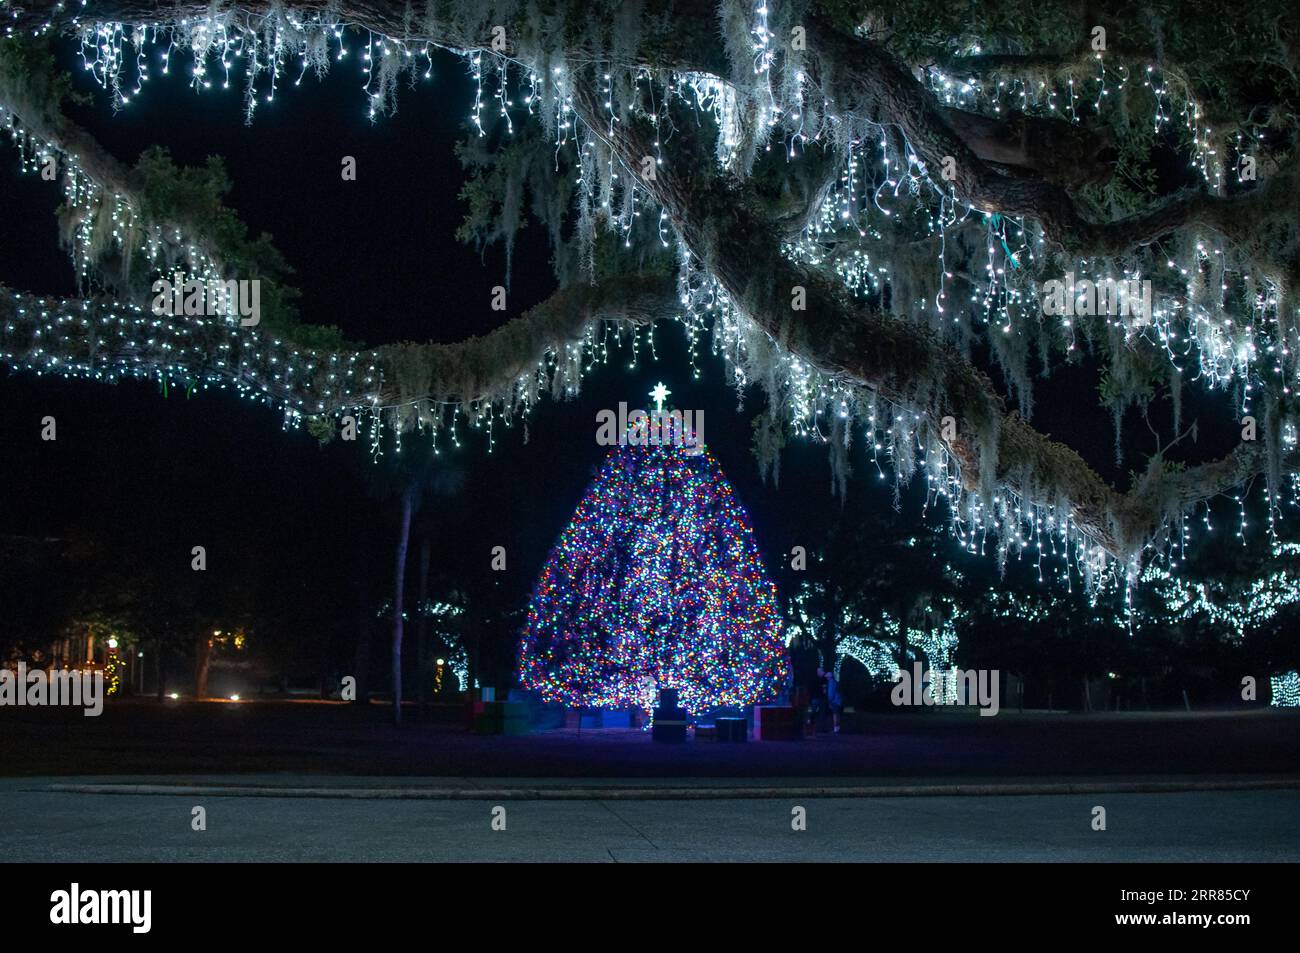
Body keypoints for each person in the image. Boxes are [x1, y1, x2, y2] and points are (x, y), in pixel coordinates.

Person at [816, 666, 842, 734]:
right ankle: (836, 728)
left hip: (834, 701)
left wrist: (829, 700)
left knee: (835, 715)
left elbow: (831, 693)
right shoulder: (833, 682)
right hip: (836, 701)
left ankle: (836, 729)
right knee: (835, 714)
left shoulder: (831, 683)